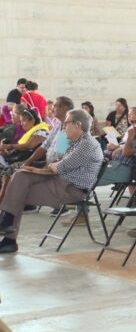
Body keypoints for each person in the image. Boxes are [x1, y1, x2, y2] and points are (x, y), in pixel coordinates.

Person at [0, 108, 103, 254]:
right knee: (20, 175)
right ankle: (7, 223)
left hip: (71, 189)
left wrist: (43, 169)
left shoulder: (87, 145)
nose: (63, 126)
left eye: (66, 123)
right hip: (58, 180)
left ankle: (8, 232)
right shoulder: (76, 141)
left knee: (18, 191)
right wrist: (38, 169)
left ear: (78, 125)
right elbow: (56, 164)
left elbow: (60, 166)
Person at [99, 116, 136, 186]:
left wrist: (130, 136)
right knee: (90, 172)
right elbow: (122, 147)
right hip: (115, 164)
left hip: (124, 168)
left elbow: (126, 153)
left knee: (92, 177)